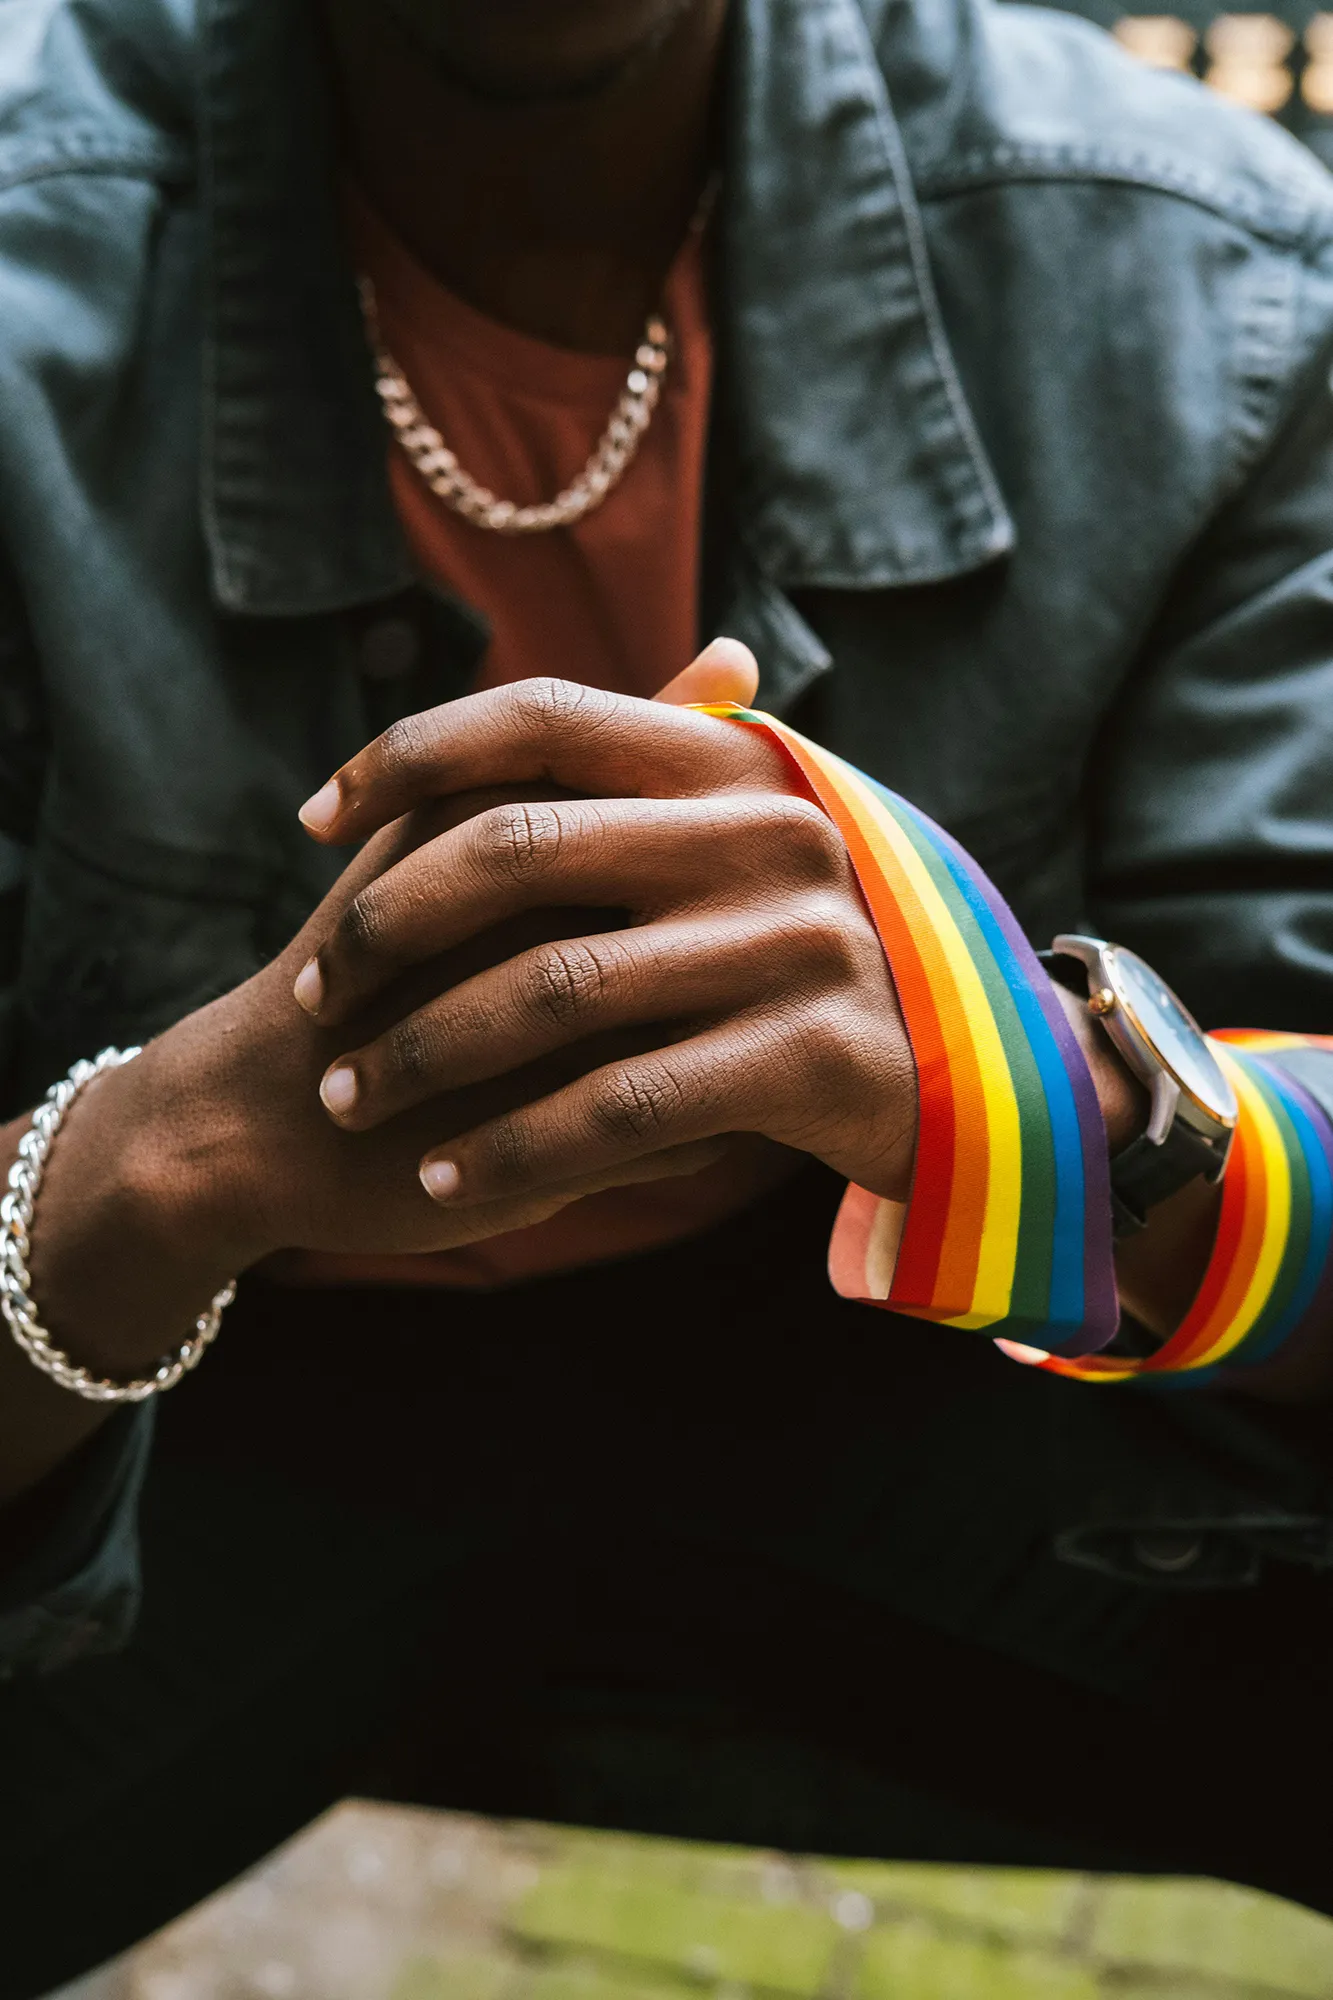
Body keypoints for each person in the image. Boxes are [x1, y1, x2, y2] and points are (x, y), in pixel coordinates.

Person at [4, 0, 1333, 1986]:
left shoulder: (1201, 271)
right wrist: (150, 1165)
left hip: (912, 1360)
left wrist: (1027, 1086)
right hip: (204, 1419)